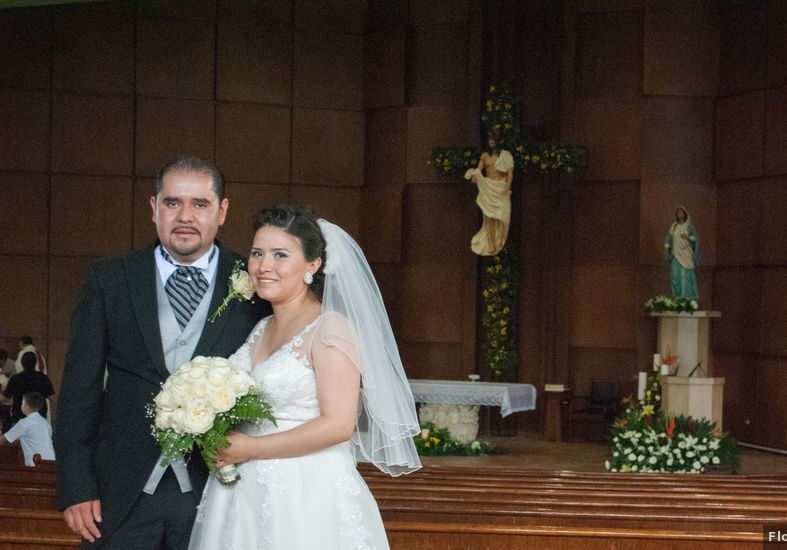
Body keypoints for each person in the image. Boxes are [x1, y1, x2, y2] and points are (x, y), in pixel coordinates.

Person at [54, 155, 271, 550]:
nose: (184, 216)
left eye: (200, 204)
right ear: (154, 207)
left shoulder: (257, 283)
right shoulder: (110, 278)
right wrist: (75, 486)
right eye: (172, 203)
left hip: (217, 493)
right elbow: (78, 393)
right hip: (119, 497)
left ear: (222, 211)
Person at [189, 204, 421, 550]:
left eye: (280, 255)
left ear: (312, 265)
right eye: (257, 253)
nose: (264, 266)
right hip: (244, 488)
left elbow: (339, 424)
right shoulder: (260, 327)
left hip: (304, 491)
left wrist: (252, 448)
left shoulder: (329, 329)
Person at [464, 132, 513, 256]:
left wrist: (507, 186)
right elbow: (479, 169)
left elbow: (509, 172)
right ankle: (491, 243)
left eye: (493, 139)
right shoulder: (485, 156)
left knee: (503, 216)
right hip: (488, 187)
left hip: (500, 188)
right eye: (489, 139)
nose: (491, 141)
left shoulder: (505, 155)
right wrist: (475, 175)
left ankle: (500, 241)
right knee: (489, 217)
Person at [0, 391, 55, 466]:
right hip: (52, 463)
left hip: (36, 465)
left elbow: (3, 440)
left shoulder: (24, 423)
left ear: (26, 405)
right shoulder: (46, 423)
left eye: (22, 403)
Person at [3, 351, 54, 425]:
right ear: (35, 363)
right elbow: (51, 396)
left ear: (22, 363)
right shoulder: (43, 378)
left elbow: (6, 398)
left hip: (19, 417)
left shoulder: (15, 378)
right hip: (39, 416)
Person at [664, 206, 700, 300]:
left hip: (686, 254)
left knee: (685, 276)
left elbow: (696, 239)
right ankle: (677, 297)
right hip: (675, 254)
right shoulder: (674, 226)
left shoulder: (689, 227)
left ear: (685, 214)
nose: (680, 215)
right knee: (676, 276)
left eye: (682, 213)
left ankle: (687, 298)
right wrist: (666, 248)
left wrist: (687, 237)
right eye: (678, 213)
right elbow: (669, 238)